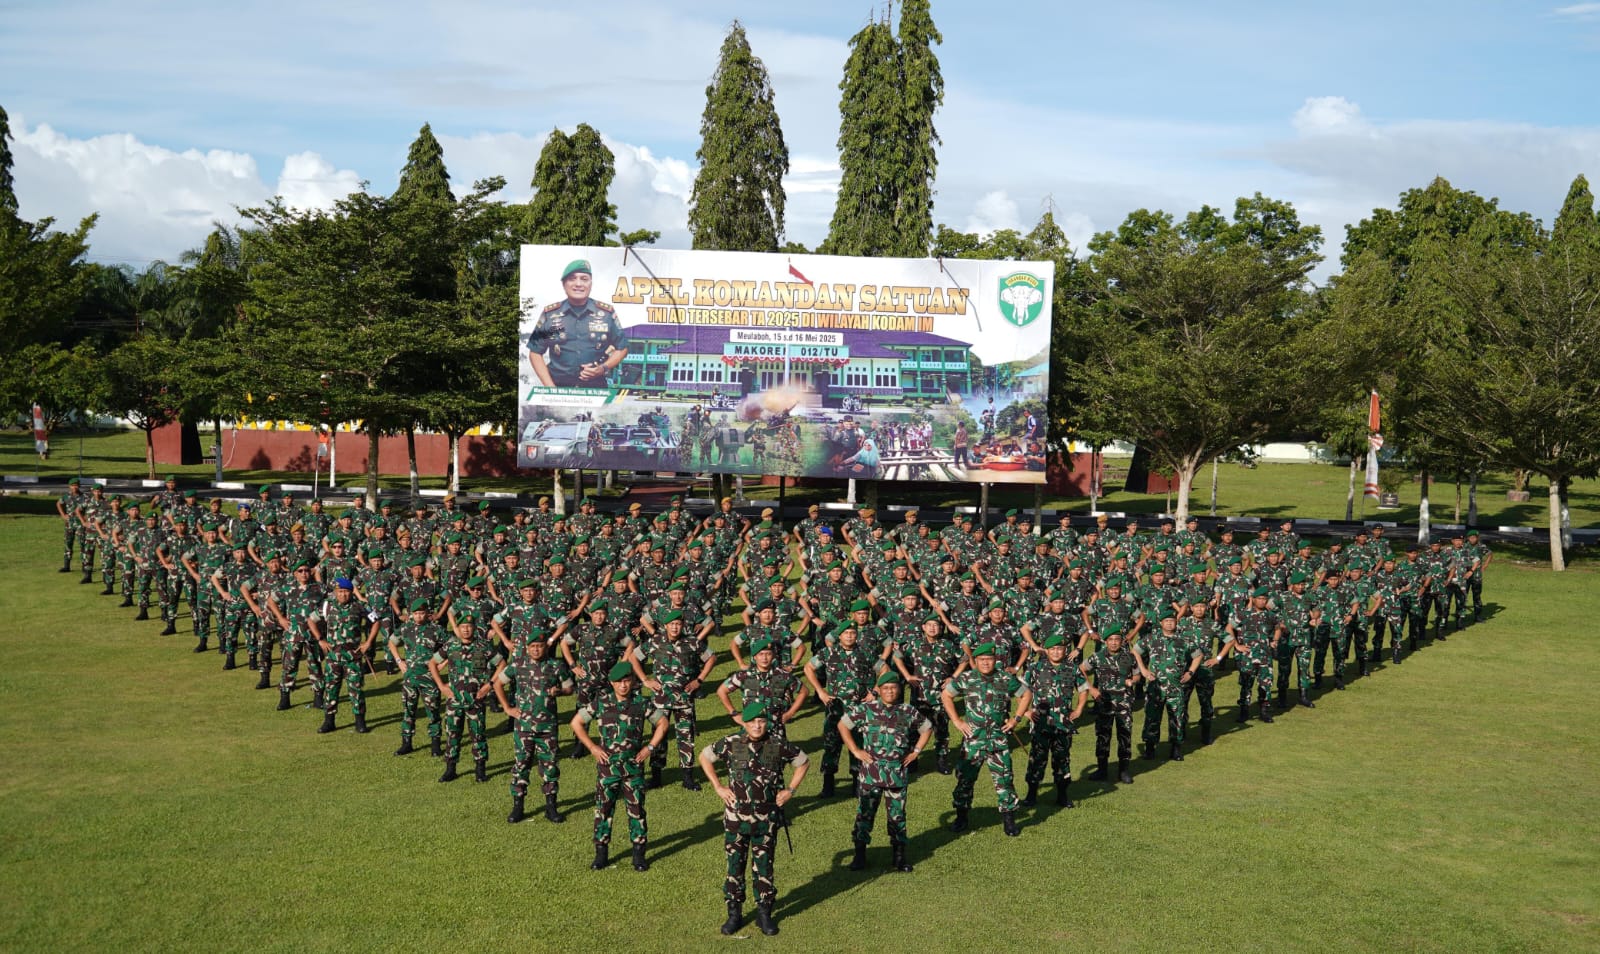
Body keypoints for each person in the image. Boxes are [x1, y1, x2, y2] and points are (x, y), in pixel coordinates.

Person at [700, 701, 809, 937]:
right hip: (735, 820)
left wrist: (789, 790)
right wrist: (718, 787)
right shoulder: (731, 743)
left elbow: (803, 762)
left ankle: (764, 914)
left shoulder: (776, 745)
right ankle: (734, 914)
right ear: (744, 723)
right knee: (734, 867)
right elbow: (704, 757)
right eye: (752, 722)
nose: (757, 726)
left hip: (766, 820)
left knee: (764, 868)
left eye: (761, 721)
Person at [571, 660, 670, 872]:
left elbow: (663, 723)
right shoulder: (601, 702)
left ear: (633, 682)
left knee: (636, 811)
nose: (623, 685)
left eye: (627, 681)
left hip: (633, 768)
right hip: (608, 769)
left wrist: (650, 748)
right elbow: (576, 723)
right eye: (619, 682)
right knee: (604, 811)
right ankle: (601, 854)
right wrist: (592, 747)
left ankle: (638, 855)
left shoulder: (641, 704)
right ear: (611, 683)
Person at [839, 671, 931, 873]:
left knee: (897, 816)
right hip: (871, 773)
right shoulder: (866, 709)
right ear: (879, 690)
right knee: (865, 815)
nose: (890, 691)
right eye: (886, 688)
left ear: (899, 690)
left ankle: (899, 857)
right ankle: (860, 855)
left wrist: (916, 751)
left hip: (897, 774)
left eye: (894, 687)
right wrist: (855, 751)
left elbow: (927, 728)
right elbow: (843, 725)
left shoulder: (908, 711)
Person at [942, 641, 1033, 836]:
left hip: (998, 740)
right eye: (981, 659)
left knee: (1005, 780)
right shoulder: (966, 678)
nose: (985, 663)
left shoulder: (1005, 678)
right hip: (973, 740)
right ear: (976, 660)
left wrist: (1016, 719)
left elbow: (1026, 695)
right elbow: (946, 695)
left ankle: (1009, 821)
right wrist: (957, 721)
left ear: (995, 660)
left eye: (989, 659)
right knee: (965, 779)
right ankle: (961, 817)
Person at [494, 632, 575, 824]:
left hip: (547, 727)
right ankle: (518, 806)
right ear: (527, 648)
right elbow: (498, 683)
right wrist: (508, 708)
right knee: (521, 765)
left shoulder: (555, 665)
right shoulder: (518, 664)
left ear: (545, 647)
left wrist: (560, 691)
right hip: (524, 726)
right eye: (533, 647)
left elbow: (570, 688)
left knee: (550, 766)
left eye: (539, 646)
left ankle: (551, 807)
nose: (536, 649)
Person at [526, 259, 628, 388]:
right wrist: (550, 388)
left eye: (584, 279)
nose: (578, 284)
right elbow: (535, 352)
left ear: (591, 284)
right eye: (572, 279)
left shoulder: (606, 313)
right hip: (557, 388)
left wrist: (603, 368)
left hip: (595, 389)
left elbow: (622, 348)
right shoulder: (550, 314)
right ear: (564, 284)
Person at [430, 615, 502, 784]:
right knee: (452, 734)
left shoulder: (483, 646)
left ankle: (480, 769)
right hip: (454, 699)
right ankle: (450, 769)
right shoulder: (451, 645)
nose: (466, 629)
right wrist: (441, 686)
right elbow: (432, 663)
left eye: (469, 626)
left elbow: (502, 664)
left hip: (475, 700)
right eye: (463, 627)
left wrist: (490, 685)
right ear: (458, 628)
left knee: (478, 734)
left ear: (474, 628)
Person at [1080, 625, 1150, 784]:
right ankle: (1102, 769)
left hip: (1124, 703)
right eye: (1110, 640)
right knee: (1103, 736)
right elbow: (1081, 669)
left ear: (1121, 642)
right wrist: (1091, 688)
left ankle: (1124, 770)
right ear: (1105, 642)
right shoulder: (1097, 657)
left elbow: (1139, 676)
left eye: (1116, 640)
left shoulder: (1129, 657)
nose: (1113, 643)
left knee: (1124, 735)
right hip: (1104, 703)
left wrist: (1132, 680)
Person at [1022, 633, 1084, 806]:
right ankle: (1031, 795)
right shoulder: (1035, 668)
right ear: (1046, 650)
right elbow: (1021, 691)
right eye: (1053, 649)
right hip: (1041, 724)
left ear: (1065, 650)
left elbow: (1084, 689)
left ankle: (1062, 795)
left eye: (1060, 649)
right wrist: (1026, 711)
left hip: (1063, 725)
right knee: (1036, 760)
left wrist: (1079, 709)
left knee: (1062, 760)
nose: (1057, 652)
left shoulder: (1072, 668)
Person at [309, 578, 377, 734]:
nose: (343, 595)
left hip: (353, 656)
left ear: (351, 592)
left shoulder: (360, 606)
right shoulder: (327, 606)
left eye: (346, 591)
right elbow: (311, 620)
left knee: (356, 689)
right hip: (333, 657)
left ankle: (360, 722)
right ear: (335, 593)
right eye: (340, 592)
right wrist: (320, 640)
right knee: (331, 689)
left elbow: (376, 621)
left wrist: (368, 642)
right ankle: (329, 721)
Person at [390, 598, 446, 757]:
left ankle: (435, 744)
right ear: (411, 614)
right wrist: (399, 661)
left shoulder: (436, 629)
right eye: (416, 613)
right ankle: (406, 743)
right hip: (410, 678)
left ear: (428, 613)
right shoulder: (405, 628)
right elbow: (391, 642)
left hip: (429, 678)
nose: (419, 616)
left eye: (422, 613)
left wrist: (441, 664)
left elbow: (452, 646)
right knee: (408, 710)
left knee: (433, 711)